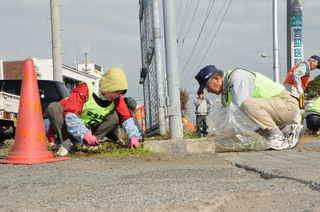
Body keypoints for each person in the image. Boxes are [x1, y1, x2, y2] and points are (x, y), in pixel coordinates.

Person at [195, 65, 305, 150]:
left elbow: (238, 110)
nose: (208, 91)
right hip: (275, 111)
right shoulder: (225, 95)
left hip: (286, 105)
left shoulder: (237, 76)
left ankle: (278, 137)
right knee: (247, 130)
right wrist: (215, 137)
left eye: (206, 87)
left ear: (216, 79)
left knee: (247, 105)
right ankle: (288, 130)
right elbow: (229, 120)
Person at [46, 67, 141, 156]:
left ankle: (93, 144)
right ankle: (66, 144)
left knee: (116, 115)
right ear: (107, 87)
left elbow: (126, 119)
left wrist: (134, 137)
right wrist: (85, 134)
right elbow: (70, 115)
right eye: (116, 91)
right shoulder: (84, 89)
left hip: (92, 132)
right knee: (53, 107)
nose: (118, 95)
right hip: (70, 130)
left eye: (121, 93)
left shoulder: (116, 98)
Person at [283, 55, 320, 124]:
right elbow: (296, 74)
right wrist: (298, 86)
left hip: (290, 87)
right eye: (317, 65)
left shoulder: (303, 65)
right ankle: (296, 126)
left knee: (290, 108)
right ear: (313, 61)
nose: (316, 68)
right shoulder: (305, 66)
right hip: (292, 87)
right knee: (295, 109)